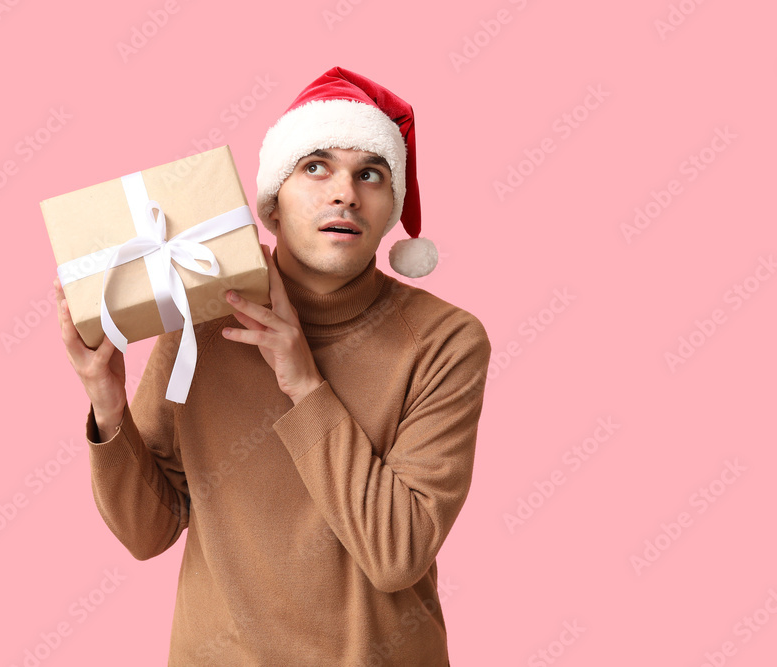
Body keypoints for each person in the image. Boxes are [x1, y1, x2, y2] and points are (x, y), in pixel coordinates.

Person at [54, 66, 492, 666]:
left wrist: (304, 383)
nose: (345, 193)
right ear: (272, 204)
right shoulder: (204, 305)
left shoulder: (445, 340)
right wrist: (108, 406)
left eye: (371, 174)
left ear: (390, 211)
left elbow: (397, 553)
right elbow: (148, 532)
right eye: (315, 167)